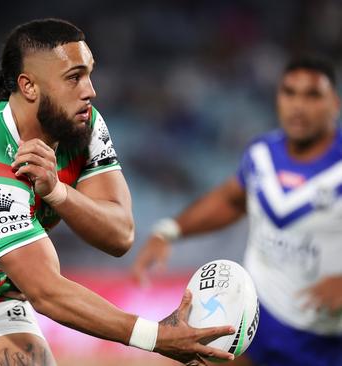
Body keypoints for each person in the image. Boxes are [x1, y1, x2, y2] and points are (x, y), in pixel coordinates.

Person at [0, 19, 234, 366]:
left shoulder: (85, 126)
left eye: (89, 74)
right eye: (74, 78)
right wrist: (156, 336)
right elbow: (47, 292)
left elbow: (120, 235)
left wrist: (58, 192)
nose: (90, 90)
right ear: (29, 86)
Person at [133, 55, 342, 366]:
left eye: (312, 95)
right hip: (258, 323)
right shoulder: (261, 155)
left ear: (334, 103)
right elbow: (230, 200)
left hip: (326, 341)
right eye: (289, 92)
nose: (298, 105)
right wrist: (169, 230)